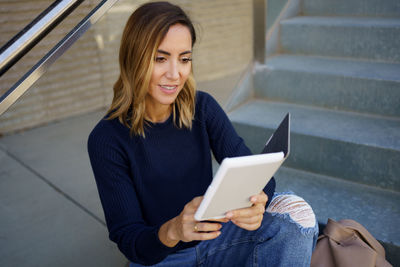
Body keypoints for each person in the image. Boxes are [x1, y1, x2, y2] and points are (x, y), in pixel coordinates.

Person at [87, 2, 318, 266]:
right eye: (160, 58)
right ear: (134, 58)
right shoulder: (106, 139)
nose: (175, 74)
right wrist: (173, 229)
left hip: (217, 238)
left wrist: (257, 204)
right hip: (162, 257)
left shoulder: (202, 107)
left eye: (184, 59)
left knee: (297, 214)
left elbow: (254, 172)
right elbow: (130, 240)